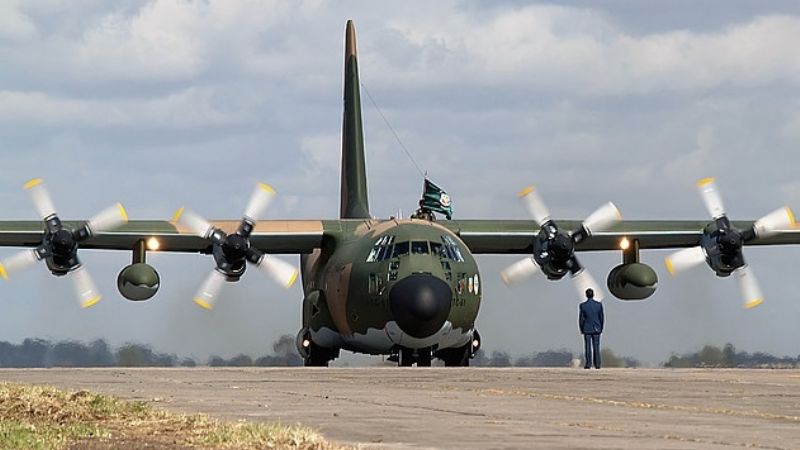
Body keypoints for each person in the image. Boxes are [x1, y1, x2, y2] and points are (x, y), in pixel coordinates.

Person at [579, 288, 604, 369]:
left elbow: (581, 319)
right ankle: (597, 364)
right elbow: (601, 318)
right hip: (597, 328)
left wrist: (581, 328)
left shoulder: (583, 305)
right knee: (596, 347)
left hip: (587, 328)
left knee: (587, 347)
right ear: (593, 295)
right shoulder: (599, 305)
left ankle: (588, 364)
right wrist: (601, 328)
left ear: (586, 295)